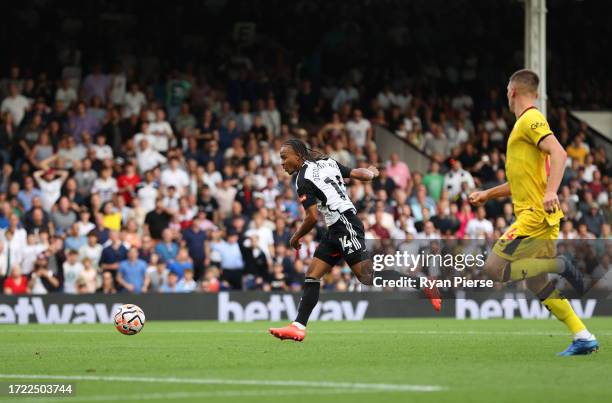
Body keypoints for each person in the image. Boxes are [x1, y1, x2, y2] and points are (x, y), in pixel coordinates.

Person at [469, 69, 598, 356]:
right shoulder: (524, 125)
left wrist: (552, 192)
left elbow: (560, 153)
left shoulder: (531, 119)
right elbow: (519, 183)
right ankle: (583, 335)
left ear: (512, 91)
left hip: (534, 216)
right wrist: (487, 193)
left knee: (493, 269)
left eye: (506, 90)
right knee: (536, 282)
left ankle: (560, 265)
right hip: (536, 215)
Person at [269, 139, 440, 342]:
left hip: (344, 223)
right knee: (312, 275)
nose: (281, 162)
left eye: (283, 157)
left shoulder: (302, 179)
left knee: (366, 276)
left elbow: (312, 217)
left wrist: (296, 236)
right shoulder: (327, 162)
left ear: (297, 156)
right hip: (335, 227)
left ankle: (423, 283)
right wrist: (372, 172)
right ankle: (298, 326)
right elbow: (360, 174)